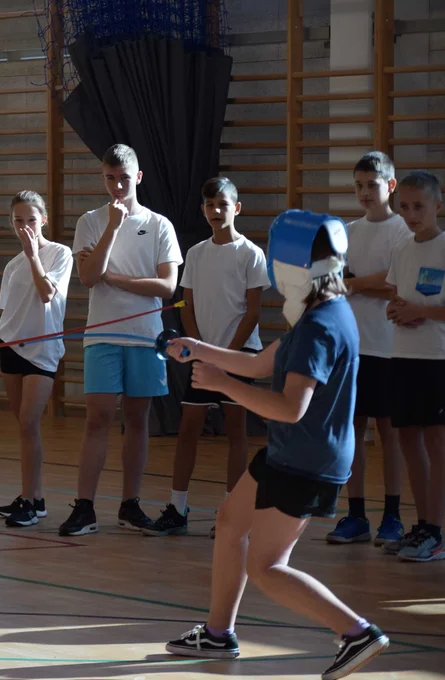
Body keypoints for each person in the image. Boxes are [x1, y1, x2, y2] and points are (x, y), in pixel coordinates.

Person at [163, 210, 389, 680]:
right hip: (292, 451)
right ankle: (218, 633)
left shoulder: (319, 326)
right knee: (231, 521)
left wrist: (222, 384)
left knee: (266, 566)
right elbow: (261, 363)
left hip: (306, 458)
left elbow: (290, 408)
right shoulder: (321, 311)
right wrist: (199, 349)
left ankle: (357, 632)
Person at [63, 143, 182, 535]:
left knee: (137, 419)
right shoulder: (91, 221)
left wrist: (115, 278)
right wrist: (113, 227)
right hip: (102, 335)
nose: (116, 186)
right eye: (110, 179)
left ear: (139, 177)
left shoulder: (159, 225)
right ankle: (84, 507)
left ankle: (130, 504)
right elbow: (87, 277)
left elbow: (167, 286)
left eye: (124, 179)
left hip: (145, 337)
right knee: (97, 417)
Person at [148, 178, 270, 537]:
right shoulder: (197, 253)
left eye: (223, 204)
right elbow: (186, 305)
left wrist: (226, 355)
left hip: (239, 354)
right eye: (210, 205)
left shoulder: (251, 254)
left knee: (236, 430)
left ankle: (232, 511)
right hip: (203, 356)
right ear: (202, 209)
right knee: (189, 427)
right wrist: (199, 349)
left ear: (237, 208)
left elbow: (252, 312)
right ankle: (177, 508)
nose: (216, 210)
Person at [327, 152, 410, 546]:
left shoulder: (402, 230)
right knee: (353, 432)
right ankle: (356, 514)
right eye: (358, 185)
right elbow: (335, 281)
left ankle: (392, 515)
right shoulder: (348, 231)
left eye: (372, 185)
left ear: (390, 185)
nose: (364, 192)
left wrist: (356, 284)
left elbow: (396, 284)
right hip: (353, 346)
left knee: (389, 433)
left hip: (389, 347)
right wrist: (361, 284)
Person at [0, 191, 73, 527]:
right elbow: (8, 311)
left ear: (44, 220)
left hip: (42, 351)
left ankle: (30, 500)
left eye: (31, 219)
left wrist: (32, 256)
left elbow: (47, 294)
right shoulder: (12, 266)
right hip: (11, 346)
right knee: (25, 427)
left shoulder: (60, 254)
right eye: (18, 220)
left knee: (28, 421)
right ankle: (33, 498)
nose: (25, 226)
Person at [384, 171, 445, 562]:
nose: (410, 214)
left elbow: (425, 307)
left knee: (437, 443)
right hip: (403, 357)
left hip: (438, 359)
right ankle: (422, 525)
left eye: (418, 206)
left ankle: (437, 532)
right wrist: (396, 310)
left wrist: (422, 311)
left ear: (437, 205)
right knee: (408, 440)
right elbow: (396, 297)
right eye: (404, 207)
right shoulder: (402, 249)